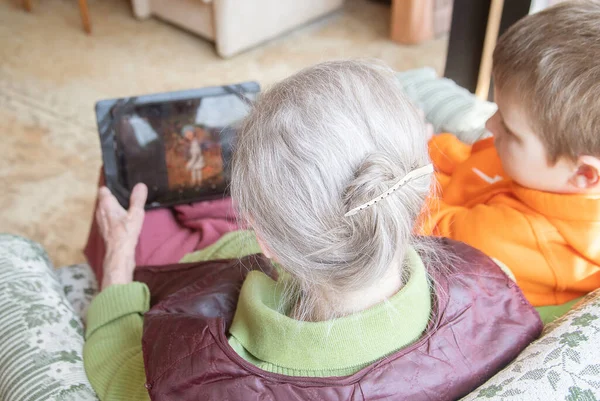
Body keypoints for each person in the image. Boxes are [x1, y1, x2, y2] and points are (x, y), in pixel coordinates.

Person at [82, 60, 541, 401]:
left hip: (210, 269)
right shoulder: (492, 285)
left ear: (262, 239)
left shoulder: (192, 382)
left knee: (122, 189)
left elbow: (113, 367)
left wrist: (118, 266)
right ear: (416, 191)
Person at [422, 0, 600, 311]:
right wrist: (428, 146)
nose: (490, 125)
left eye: (508, 125)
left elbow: (427, 232)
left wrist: (408, 163)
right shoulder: (543, 170)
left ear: (585, 174)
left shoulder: (534, 243)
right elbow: (471, 159)